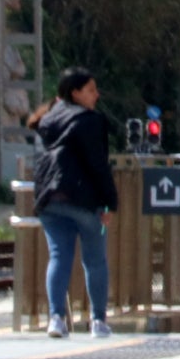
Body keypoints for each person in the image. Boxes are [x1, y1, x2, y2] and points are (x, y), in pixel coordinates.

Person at [29, 68, 117, 338]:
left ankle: (56, 318)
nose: (96, 94)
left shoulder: (47, 120)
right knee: (95, 260)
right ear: (76, 93)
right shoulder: (90, 121)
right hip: (84, 200)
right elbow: (98, 164)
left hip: (49, 199)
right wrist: (109, 203)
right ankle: (98, 321)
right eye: (91, 89)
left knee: (59, 256)